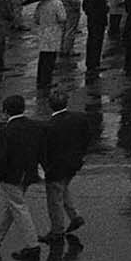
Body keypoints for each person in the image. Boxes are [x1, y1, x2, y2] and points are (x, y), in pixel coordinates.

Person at [0, 94, 43, 258]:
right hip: (28, 173)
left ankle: (32, 245)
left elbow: (0, 158)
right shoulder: (34, 126)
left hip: (11, 176)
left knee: (18, 208)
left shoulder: (5, 132)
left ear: (6, 112)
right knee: (13, 206)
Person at [40, 92, 90, 239]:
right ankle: (74, 216)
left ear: (50, 106)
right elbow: (86, 138)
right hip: (74, 163)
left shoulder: (49, 126)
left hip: (56, 167)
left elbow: (45, 150)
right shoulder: (80, 118)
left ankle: (57, 230)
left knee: (54, 199)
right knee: (63, 188)